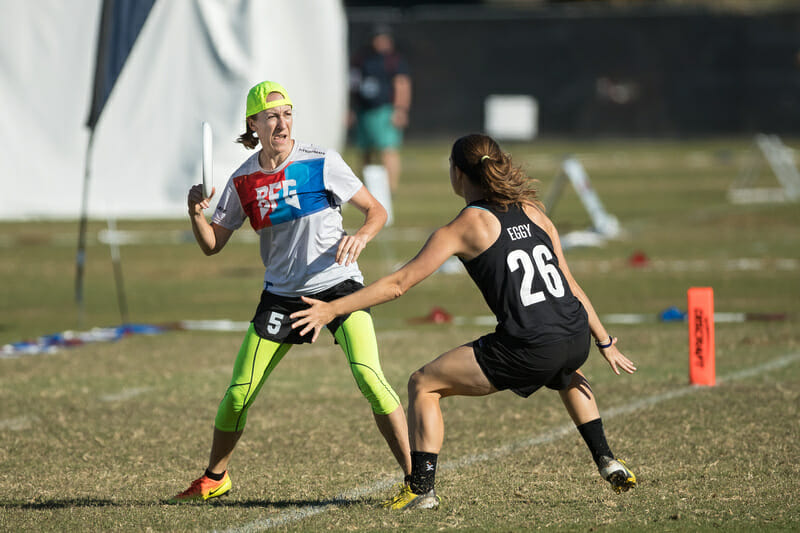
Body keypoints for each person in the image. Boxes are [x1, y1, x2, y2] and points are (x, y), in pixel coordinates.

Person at [291, 133, 638, 510]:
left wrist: (333, 309)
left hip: (529, 345)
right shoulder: (533, 209)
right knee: (564, 370)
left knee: (422, 384)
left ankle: (421, 489)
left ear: (457, 174)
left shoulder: (465, 226)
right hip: (574, 337)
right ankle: (607, 459)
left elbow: (398, 284)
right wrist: (604, 341)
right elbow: (570, 285)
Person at [168, 80, 411, 503]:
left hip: (339, 287)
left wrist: (362, 237)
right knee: (239, 392)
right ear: (254, 124)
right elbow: (213, 245)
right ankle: (215, 477)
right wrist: (195, 215)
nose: (282, 123)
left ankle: (416, 479)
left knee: (370, 377)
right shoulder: (243, 180)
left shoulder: (321, 161)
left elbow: (377, 210)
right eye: (272, 116)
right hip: (280, 296)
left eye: (287, 114)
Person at [349, 24, 412, 192]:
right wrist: (351, 109)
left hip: (385, 110)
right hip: (364, 111)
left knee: (388, 150)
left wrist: (400, 109)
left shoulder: (394, 60)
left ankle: (390, 190)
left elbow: (402, 84)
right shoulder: (362, 58)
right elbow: (353, 84)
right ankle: (364, 189)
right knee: (365, 151)